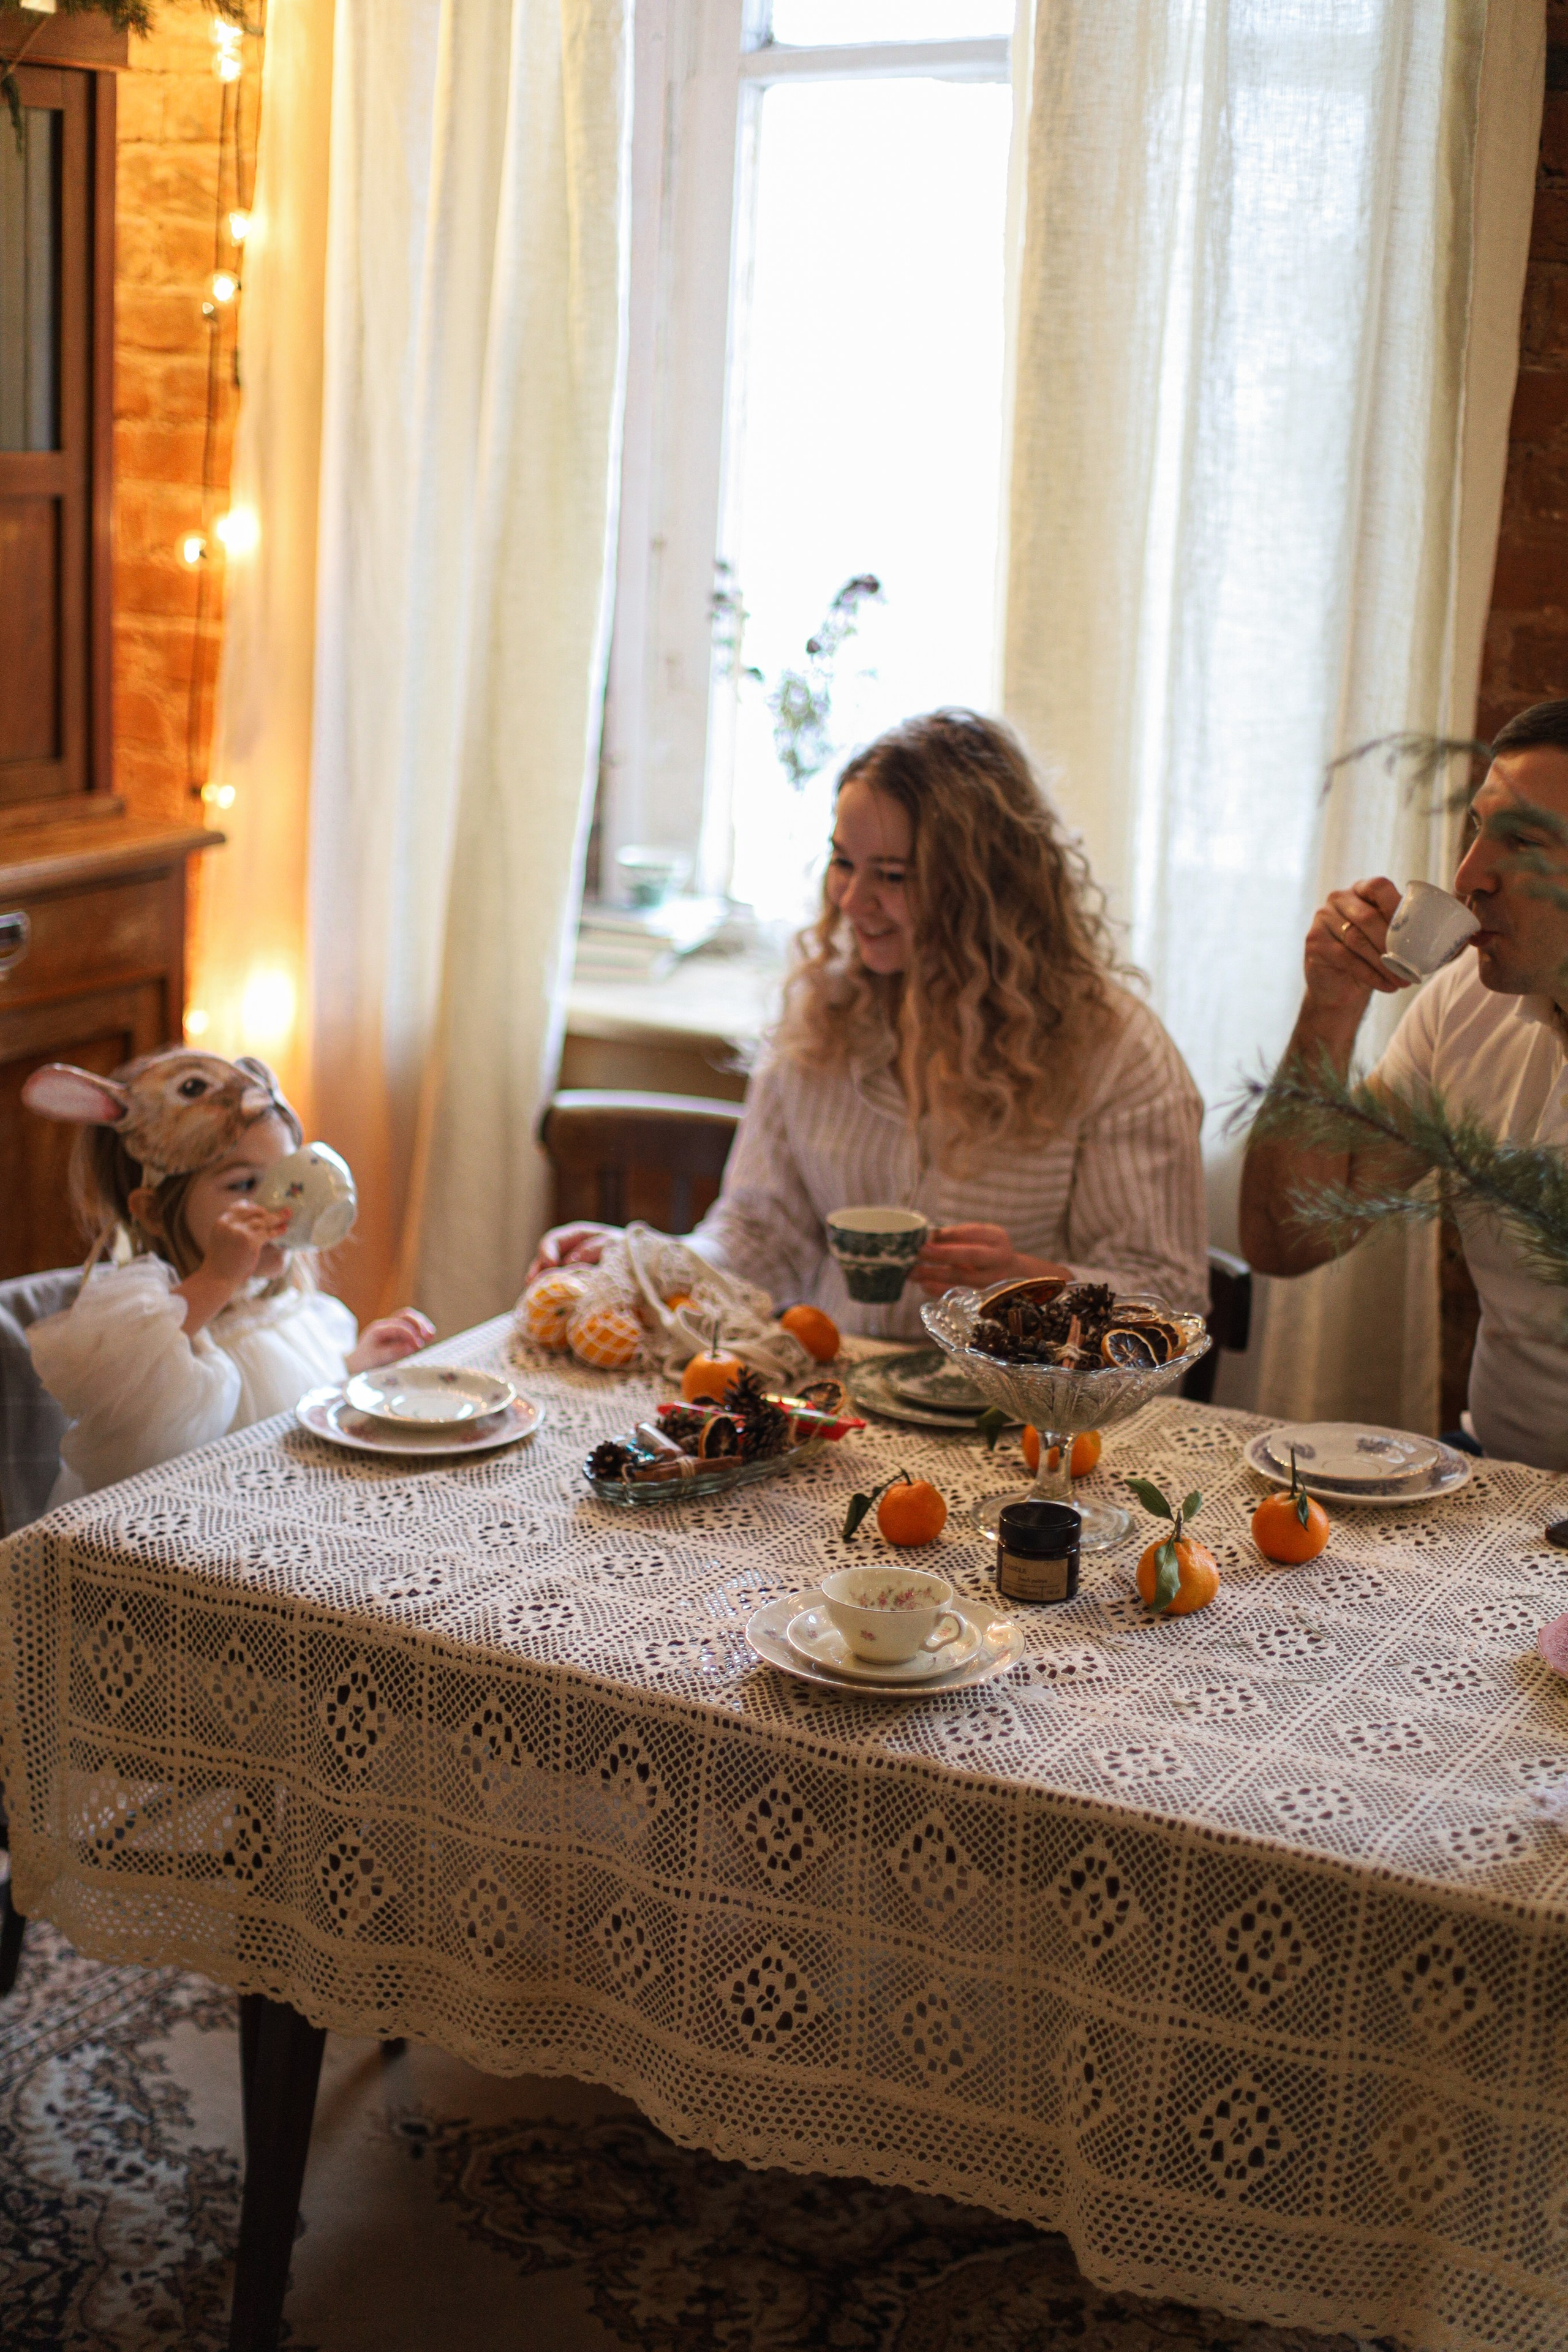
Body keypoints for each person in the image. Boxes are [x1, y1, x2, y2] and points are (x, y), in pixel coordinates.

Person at [532, 709, 1207, 1334]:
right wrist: (640, 1259)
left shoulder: (1112, 1049)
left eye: (892, 875)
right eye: (843, 863)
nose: (853, 902)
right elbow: (762, 1236)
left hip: (1017, 1425)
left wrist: (1034, 1283)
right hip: (837, 1403)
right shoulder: (819, 1014)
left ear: (984, 886)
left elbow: (1171, 1300)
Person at [1239, 696, 1568, 1470]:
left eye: (1521, 842)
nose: (1467, 876)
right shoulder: (1467, 1002)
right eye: (1479, 828)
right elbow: (1287, 1238)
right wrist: (1330, 1005)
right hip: (1493, 1475)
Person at [27, 1049, 433, 1501]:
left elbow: (293, 1407)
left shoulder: (280, 1306)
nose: (282, 1204)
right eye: (243, 1185)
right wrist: (218, 1278)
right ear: (155, 1212)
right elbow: (135, 1429)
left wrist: (352, 1367)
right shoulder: (146, 1327)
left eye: (287, 1178)